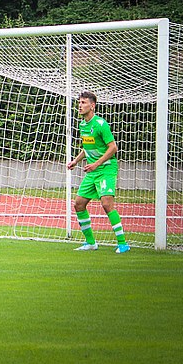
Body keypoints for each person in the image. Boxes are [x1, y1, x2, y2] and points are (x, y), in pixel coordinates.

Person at [67, 91, 130, 253]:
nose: (79, 106)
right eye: (79, 102)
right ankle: (90, 243)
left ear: (92, 106)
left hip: (106, 169)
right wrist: (76, 161)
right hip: (93, 171)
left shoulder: (101, 124)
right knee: (79, 204)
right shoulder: (83, 125)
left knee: (107, 204)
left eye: (83, 103)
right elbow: (87, 147)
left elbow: (113, 148)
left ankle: (123, 244)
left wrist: (96, 164)